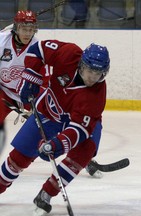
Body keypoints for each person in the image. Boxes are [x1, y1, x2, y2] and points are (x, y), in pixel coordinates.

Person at [0, 39, 110, 214]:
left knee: (84, 151)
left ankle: (46, 194)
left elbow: (79, 131)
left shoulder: (96, 96)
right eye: (90, 71)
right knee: (20, 156)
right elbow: (38, 49)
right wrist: (31, 77)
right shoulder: (69, 53)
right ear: (82, 64)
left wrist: (57, 144)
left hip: (79, 123)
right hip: (49, 111)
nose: (92, 78)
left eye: (98, 74)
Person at [0, 10, 38, 155]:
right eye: (24, 29)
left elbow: (44, 80)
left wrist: (37, 106)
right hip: (5, 93)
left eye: (31, 29)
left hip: (27, 95)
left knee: (49, 126)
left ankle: (83, 159)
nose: (28, 33)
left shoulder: (37, 48)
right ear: (16, 28)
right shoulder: (2, 40)